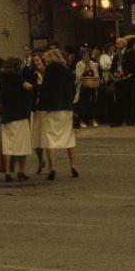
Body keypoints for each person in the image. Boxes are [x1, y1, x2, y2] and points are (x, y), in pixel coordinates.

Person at [36, 49, 78, 179]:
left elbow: (48, 87)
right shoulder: (67, 70)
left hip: (53, 107)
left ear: (51, 58)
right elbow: (73, 88)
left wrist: (34, 88)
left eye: (46, 59)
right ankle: (73, 166)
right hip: (66, 107)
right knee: (68, 137)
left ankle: (52, 168)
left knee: (51, 138)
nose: (45, 61)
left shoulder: (50, 70)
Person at [0, 57, 35, 182]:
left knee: (8, 145)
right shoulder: (20, 79)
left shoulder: (2, 81)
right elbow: (28, 94)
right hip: (21, 115)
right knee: (22, 145)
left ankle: (7, 171)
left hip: (7, 116)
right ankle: (21, 170)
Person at [118, 35, 135, 126]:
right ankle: (131, 118)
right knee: (132, 99)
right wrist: (130, 74)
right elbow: (131, 66)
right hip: (132, 79)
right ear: (133, 45)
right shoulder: (131, 53)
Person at [74, 47, 101, 129]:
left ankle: (92, 119)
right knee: (82, 103)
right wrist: (85, 71)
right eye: (84, 55)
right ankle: (82, 120)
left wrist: (91, 69)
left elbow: (97, 75)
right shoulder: (79, 64)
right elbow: (78, 76)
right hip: (82, 87)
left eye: (87, 55)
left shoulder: (93, 63)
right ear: (81, 56)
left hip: (92, 86)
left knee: (92, 103)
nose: (86, 57)